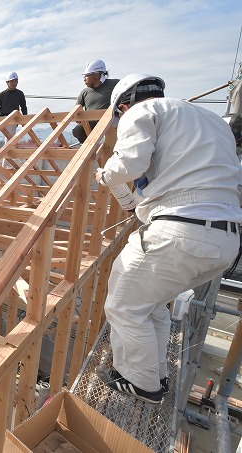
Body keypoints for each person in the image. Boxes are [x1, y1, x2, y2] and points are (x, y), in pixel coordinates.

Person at [95, 73, 242, 404]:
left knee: (123, 305)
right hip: (225, 239)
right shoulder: (207, 120)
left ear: (122, 106)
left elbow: (128, 164)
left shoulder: (141, 112)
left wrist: (106, 174)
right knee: (152, 304)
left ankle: (141, 383)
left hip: (181, 230)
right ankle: (155, 374)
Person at [72, 59, 119, 144]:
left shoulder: (115, 84)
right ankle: (91, 149)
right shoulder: (85, 92)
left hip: (113, 123)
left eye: (87, 76)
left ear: (96, 75)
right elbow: (76, 114)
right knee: (78, 130)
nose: (84, 79)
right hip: (93, 126)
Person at [0, 71, 27, 136]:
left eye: (16, 81)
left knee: (10, 138)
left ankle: (9, 146)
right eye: (12, 81)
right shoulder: (2, 94)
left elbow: (24, 107)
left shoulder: (20, 94)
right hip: (2, 117)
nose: (14, 83)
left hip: (13, 118)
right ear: (7, 82)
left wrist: (25, 120)